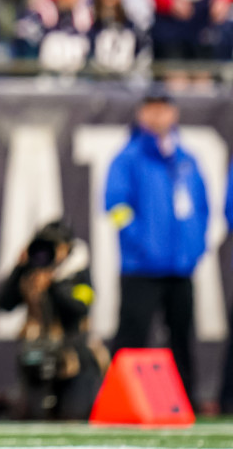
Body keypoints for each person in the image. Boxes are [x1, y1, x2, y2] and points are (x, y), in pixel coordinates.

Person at [105, 90, 208, 410]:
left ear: (174, 114)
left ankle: (184, 403)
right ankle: (118, 401)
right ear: (140, 114)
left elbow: (201, 208)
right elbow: (116, 207)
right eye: (151, 109)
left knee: (181, 339)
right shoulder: (128, 158)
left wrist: (194, 247)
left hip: (180, 267)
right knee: (132, 337)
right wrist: (140, 244)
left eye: (163, 109)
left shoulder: (186, 159)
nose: (157, 116)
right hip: (141, 268)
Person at [0, 221, 103, 420]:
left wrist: (54, 285)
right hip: (39, 352)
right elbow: (2, 304)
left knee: (73, 415)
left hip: (73, 354)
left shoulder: (78, 272)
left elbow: (79, 310)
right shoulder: (32, 270)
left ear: (67, 247)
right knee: (33, 417)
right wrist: (19, 269)